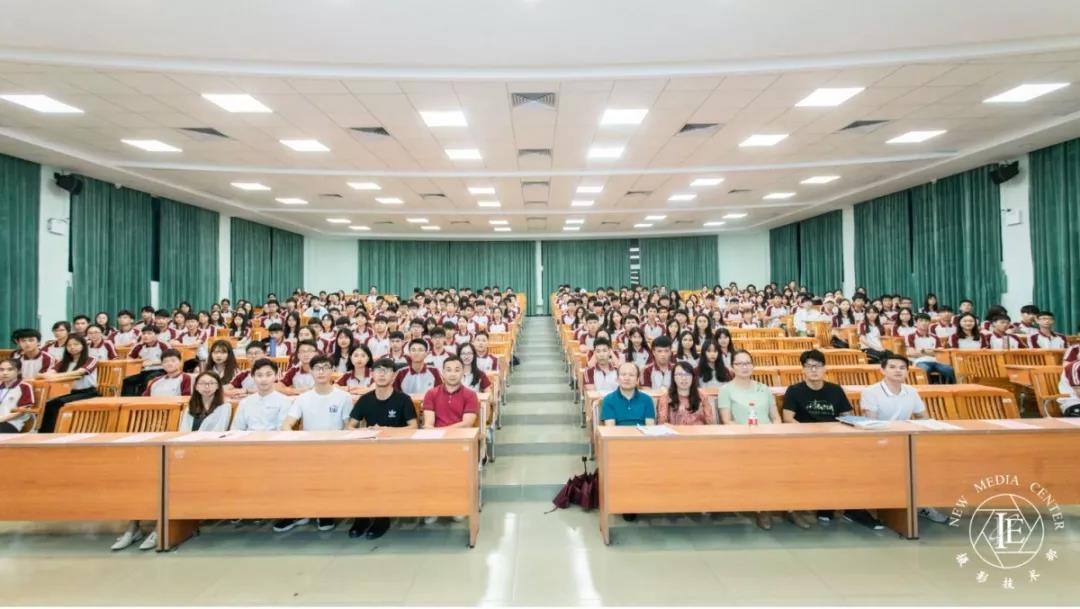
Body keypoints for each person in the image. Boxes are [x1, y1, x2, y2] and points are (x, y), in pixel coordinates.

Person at [781, 349, 867, 529]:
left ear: (824, 368)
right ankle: (823, 505)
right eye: (809, 366)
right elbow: (788, 418)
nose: (814, 370)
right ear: (803, 369)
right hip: (804, 441)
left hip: (834, 441)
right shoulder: (794, 390)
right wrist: (808, 436)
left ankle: (848, 506)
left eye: (818, 366)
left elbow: (847, 416)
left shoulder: (835, 390)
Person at [859, 353, 949, 524]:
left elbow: (923, 417)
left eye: (902, 368)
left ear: (907, 371)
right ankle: (902, 505)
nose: (898, 371)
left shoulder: (911, 391)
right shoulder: (871, 392)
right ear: (882, 370)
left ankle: (922, 504)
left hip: (906, 440)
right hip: (880, 442)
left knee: (932, 457)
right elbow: (872, 424)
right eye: (892, 367)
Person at [275, 355, 353, 533]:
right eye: (317, 368)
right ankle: (298, 512)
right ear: (311, 371)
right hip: (308, 448)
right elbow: (287, 424)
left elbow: (348, 426)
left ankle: (324, 511)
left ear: (332, 371)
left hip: (335, 448)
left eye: (325, 367)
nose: (321, 371)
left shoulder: (344, 397)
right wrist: (296, 441)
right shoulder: (303, 398)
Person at [346, 357, 418, 539]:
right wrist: (366, 431)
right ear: (372, 374)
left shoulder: (403, 399)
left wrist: (387, 430)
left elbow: (413, 427)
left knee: (382, 472)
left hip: (396, 451)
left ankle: (382, 517)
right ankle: (362, 517)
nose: (382, 374)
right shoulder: (365, 399)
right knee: (357, 472)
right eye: (378, 370)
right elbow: (350, 426)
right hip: (370, 450)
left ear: (394, 376)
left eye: (387, 371)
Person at [421, 356, 479, 525]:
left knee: (457, 469)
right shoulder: (431, 394)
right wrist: (434, 433)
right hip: (436, 442)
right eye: (448, 370)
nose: (452, 374)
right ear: (442, 373)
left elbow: (467, 423)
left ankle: (457, 506)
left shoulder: (470, 395)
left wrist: (441, 432)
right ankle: (433, 507)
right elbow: (428, 422)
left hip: (461, 441)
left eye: (457, 370)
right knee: (429, 469)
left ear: (463, 373)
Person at [38, 335, 100, 432]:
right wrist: (42, 375)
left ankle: (53, 432)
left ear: (83, 346)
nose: (72, 347)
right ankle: (44, 432)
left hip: (88, 393)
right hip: (70, 392)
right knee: (48, 403)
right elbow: (49, 373)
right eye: (69, 345)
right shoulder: (64, 361)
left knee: (56, 404)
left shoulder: (91, 359)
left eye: (76, 344)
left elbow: (79, 373)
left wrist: (55, 376)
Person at [230, 359, 290, 431]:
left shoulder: (284, 401)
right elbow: (236, 429)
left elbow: (282, 430)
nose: (264, 379)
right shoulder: (245, 402)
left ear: (276, 376)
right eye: (259, 375)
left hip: (274, 437)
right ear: (253, 376)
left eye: (268, 375)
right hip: (248, 437)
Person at [600, 362, 656, 427]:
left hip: (641, 433)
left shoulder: (647, 400)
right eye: (623, 375)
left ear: (637, 380)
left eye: (631, 375)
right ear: (617, 379)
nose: (627, 378)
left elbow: (650, 427)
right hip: (617, 433)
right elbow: (610, 428)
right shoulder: (608, 400)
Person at [907, 314, 955, 383]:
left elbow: (939, 352)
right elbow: (911, 353)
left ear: (929, 323)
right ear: (916, 323)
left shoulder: (935, 337)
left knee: (949, 369)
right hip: (919, 362)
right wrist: (931, 352)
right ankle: (926, 388)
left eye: (926, 321)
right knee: (924, 369)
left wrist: (922, 350)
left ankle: (951, 388)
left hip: (936, 361)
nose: (924, 323)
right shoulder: (911, 336)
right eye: (921, 321)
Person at [121, 326, 169, 395]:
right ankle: (128, 400)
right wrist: (139, 363)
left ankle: (142, 398)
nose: (145, 336)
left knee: (149, 379)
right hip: (144, 371)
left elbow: (169, 359)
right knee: (127, 380)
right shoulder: (139, 346)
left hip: (160, 370)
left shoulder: (163, 345)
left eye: (149, 333)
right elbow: (129, 359)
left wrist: (152, 363)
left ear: (157, 335)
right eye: (144, 333)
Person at [0, 358, 34, 433]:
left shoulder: (24, 386)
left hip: (12, 423)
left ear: (19, 371)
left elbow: (22, 410)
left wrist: (2, 419)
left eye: (10, 369)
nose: (5, 373)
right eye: (1, 370)